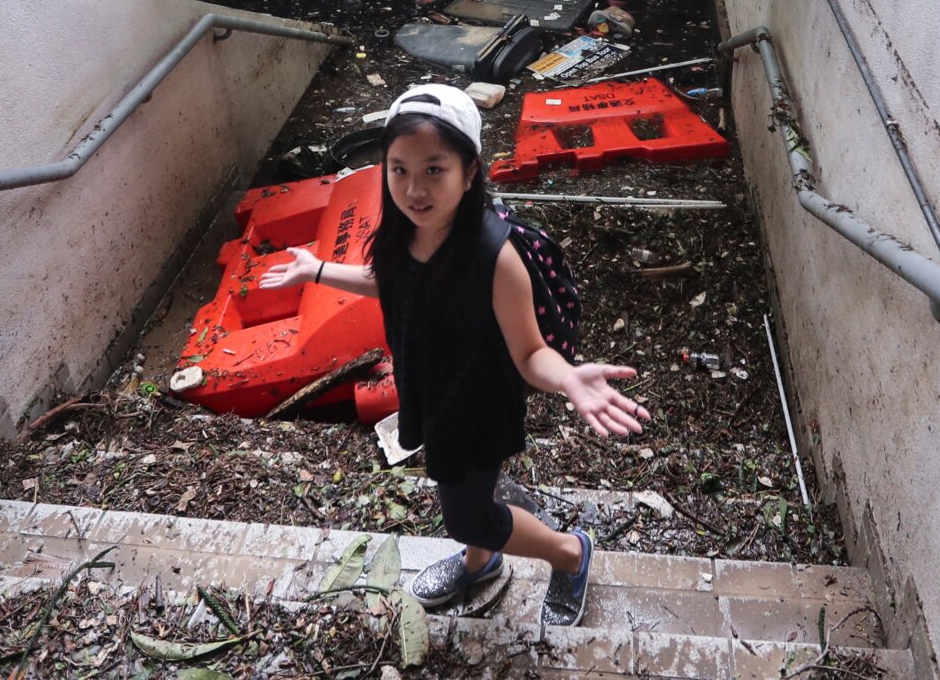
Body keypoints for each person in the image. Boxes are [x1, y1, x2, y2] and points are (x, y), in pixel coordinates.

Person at [259, 85, 648, 626]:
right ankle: (481, 561)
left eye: (434, 170)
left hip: (477, 404)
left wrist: (568, 381)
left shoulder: (495, 257)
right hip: (430, 386)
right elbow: (392, 281)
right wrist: (316, 269)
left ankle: (569, 553)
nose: (414, 189)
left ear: (469, 172)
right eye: (398, 169)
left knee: (467, 516)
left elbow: (532, 350)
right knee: (468, 497)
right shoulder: (404, 232)